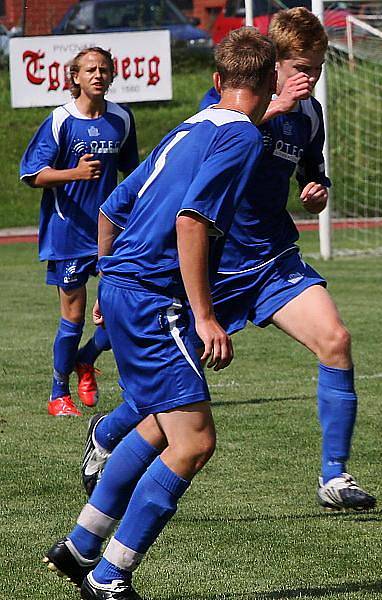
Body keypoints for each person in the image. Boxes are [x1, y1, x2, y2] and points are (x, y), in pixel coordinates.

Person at [81, 7, 376, 512]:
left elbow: (312, 167)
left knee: (336, 340)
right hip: (212, 268)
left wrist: (316, 188)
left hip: (273, 260)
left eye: (317, 67)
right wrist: (275, 108)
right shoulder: (227, 106)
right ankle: (107, 433)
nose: (308, 78)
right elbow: (204, 162)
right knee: (169, 391)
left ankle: (334, 475)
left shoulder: (312, 115)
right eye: (299, 66)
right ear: (272, 65)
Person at [43, 28, 275, 600]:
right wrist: (205, 316)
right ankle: (110, 576)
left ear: (217, 83)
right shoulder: (243, 138)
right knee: (192, 441)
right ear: (268, 84)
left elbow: (113, 207)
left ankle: (79, 547)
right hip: (154, 298)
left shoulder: (190, 127)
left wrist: (108, 280)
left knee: (152, 419)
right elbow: (192, 220)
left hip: (125, 286)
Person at [20, 47, 139, 416]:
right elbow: (32, 174)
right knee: (73, 316)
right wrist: (74, 173)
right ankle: (59, 393)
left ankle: (86, 360)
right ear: (75, 77)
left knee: (119, 311)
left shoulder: (122, 118)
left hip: (111, 234)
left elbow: (133, 176)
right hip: (68, 232)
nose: (98, 75)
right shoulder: (60, 121)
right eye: (90, 70)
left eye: (104, 69)